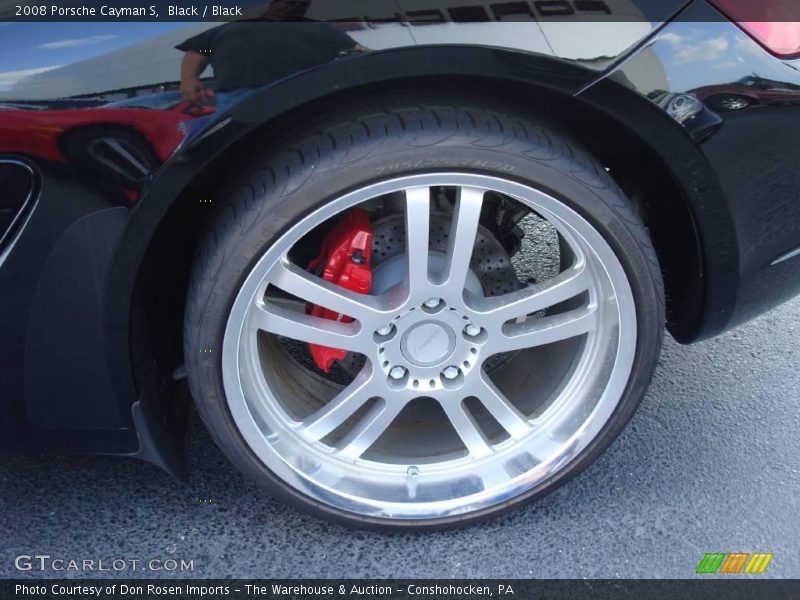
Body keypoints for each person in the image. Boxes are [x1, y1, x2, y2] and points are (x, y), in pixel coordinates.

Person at [177, 0, 360, 105]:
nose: (295, 5)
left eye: (301, 3)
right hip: (238, 98)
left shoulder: (321, 29)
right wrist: (189, 79)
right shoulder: (229, 30)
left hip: (306, 94)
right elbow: (202, 51)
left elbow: (356, 51)